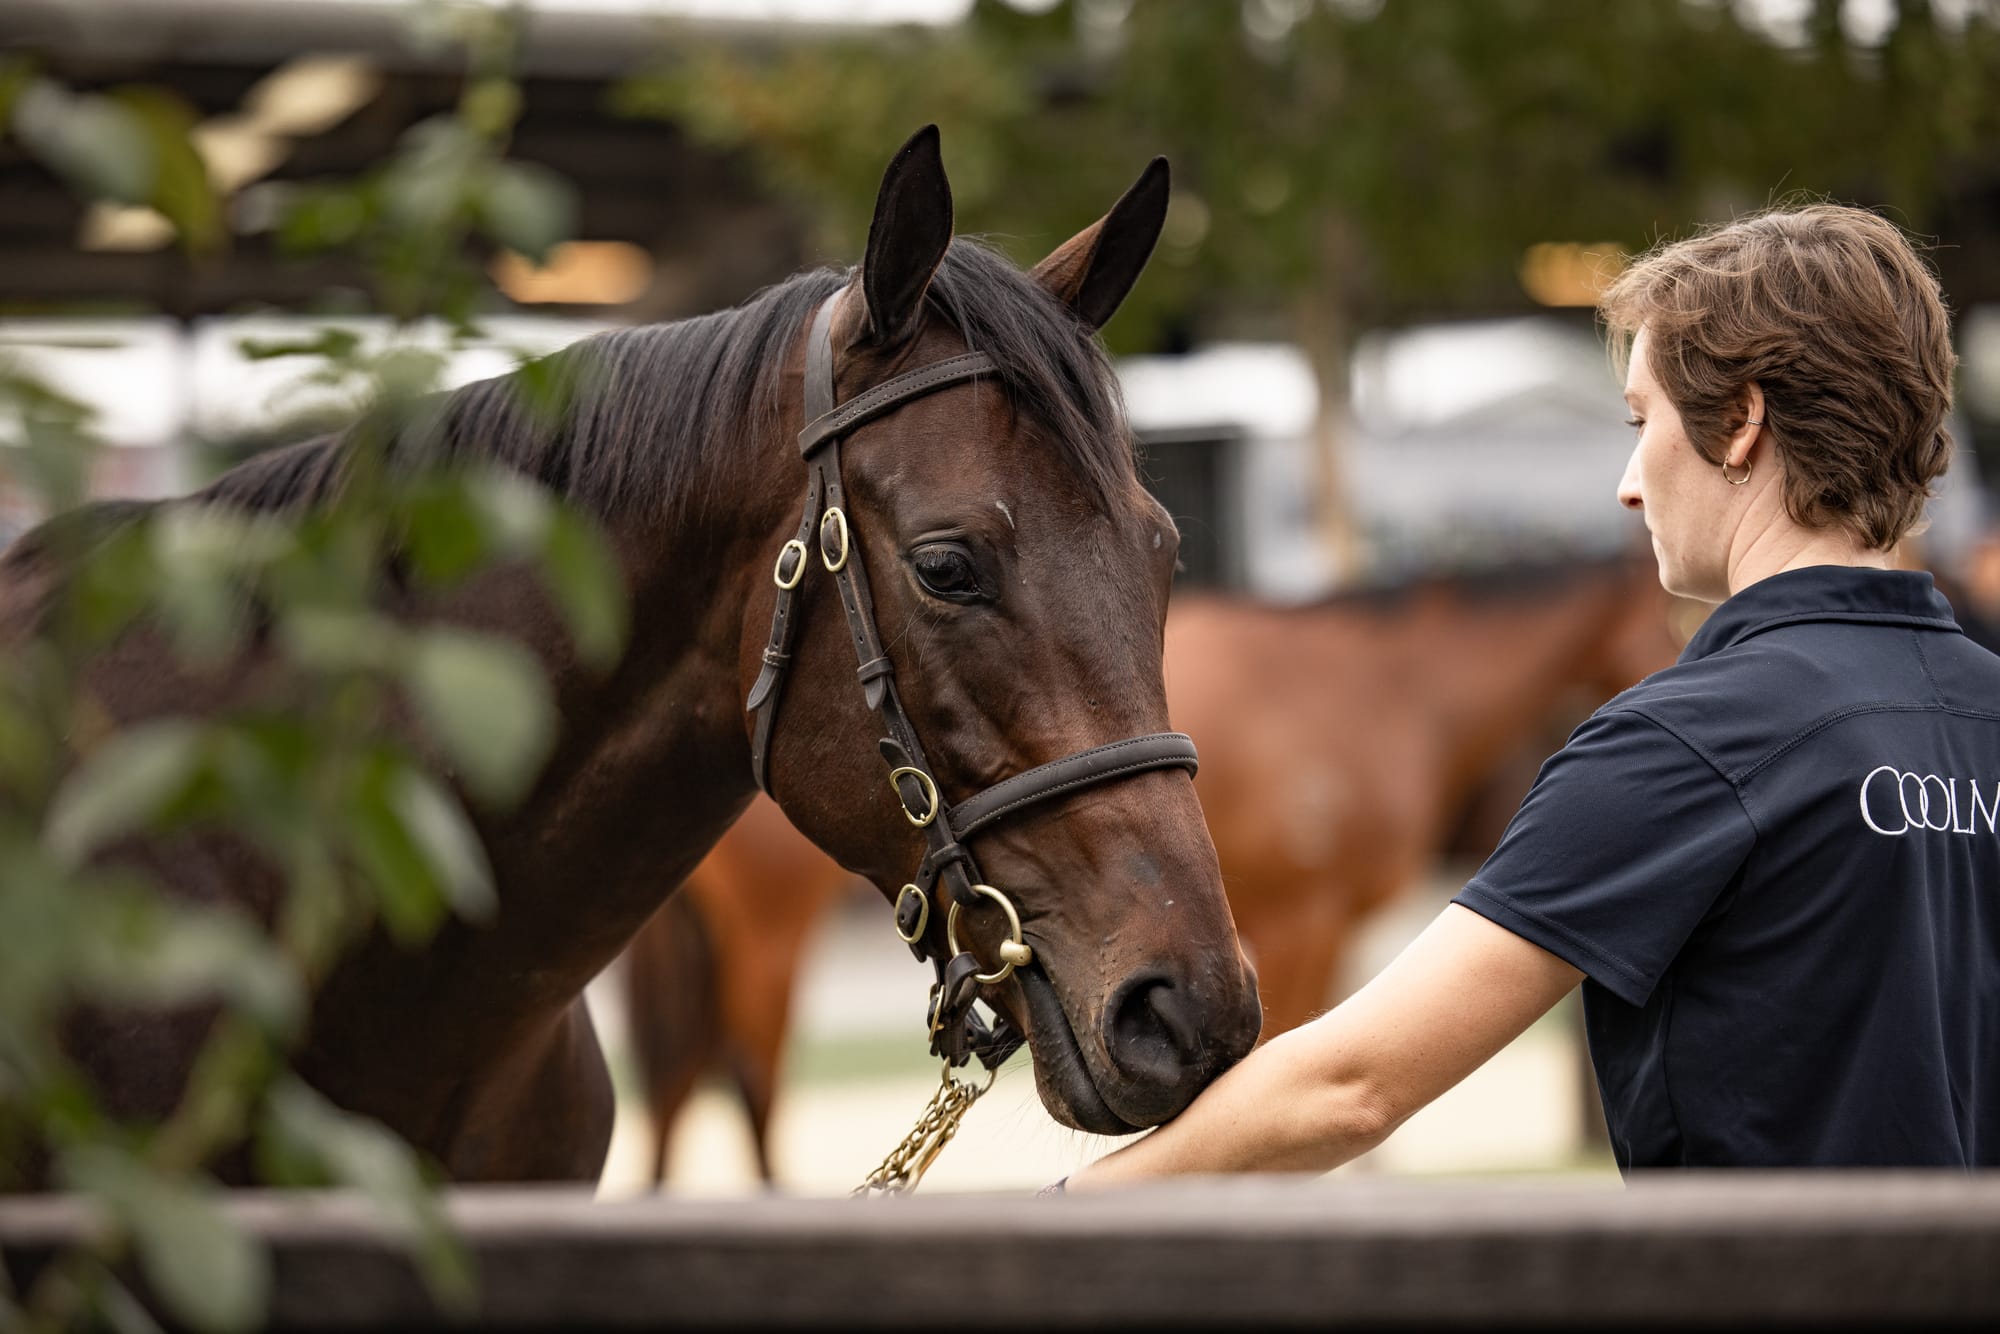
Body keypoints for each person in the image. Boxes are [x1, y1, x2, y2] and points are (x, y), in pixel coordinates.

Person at [1066, 203, 1994, 1186]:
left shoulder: (1685, 741)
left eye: (1643, 422)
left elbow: (1349, 1084)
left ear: (1741, 424)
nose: (1629, 482)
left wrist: (1062, 1209)